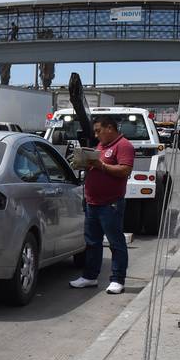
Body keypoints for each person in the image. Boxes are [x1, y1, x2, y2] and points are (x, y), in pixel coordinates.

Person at [69, 116, 134, 295]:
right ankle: (90, 276)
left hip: (110, 204)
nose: (96, 135)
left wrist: (101, 165)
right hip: (93, 202)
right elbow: (97, 167)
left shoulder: (123, 145)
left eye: (99, 130)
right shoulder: (101, 146)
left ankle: (117, 279)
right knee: (92, 242)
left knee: (116, 242)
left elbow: (125, 170)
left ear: (110, 128)